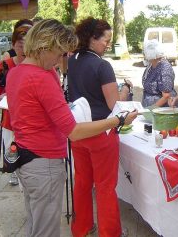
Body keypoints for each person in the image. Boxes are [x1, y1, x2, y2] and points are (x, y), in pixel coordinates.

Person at [5, 19, 137, 237]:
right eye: (58, 53)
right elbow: (75, 128)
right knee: (48, 227)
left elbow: (37, 112)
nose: (59, 61)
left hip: (26, 157)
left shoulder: (16, 72)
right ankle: (109, 232)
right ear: (45, 46)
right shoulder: (44, 77)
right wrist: (119, 120)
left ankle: (82, 227)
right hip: (48, 158)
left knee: (40, 218)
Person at [67, 17, 132, 237]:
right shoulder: (102, 65)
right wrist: (126, 89)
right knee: (105, 186)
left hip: (79, 130)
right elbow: (115, 104)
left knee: (83, 182)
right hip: (101, 132)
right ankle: (110, 232)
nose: (108, 44)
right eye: (106, 39)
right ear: (92, 38)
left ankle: (81, 227)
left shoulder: (73, 59)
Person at [0, 25, 31, 185]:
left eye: (27, 45)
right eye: (20, 45)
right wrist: (5, 97)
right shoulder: (4, 66)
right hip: (10, 122)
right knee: (13, 157)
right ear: (13, 45)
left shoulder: (39, 65)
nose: (23, 49)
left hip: (31, 124)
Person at [142, 39, 177, 107]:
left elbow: (166, 96)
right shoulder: (151, 65)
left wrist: (151, 109)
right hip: (151, 105)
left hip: (160, 109)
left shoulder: (164, 68)